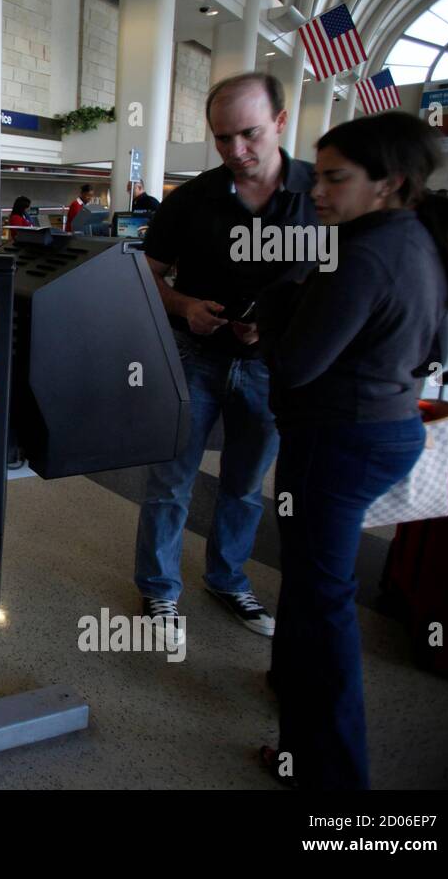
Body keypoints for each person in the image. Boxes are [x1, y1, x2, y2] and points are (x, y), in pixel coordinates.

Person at [257, 112, 448, 790]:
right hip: (388, 428)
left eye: (335, 178)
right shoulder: (419, 241)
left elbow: (295, 365)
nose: (318, 190)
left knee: (323, 602)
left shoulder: (361, 251)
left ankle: (329, 774)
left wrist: (274, 309)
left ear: (389, 183)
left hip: (338, 441)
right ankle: (292, 686)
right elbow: (432, 351)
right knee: (314, 578)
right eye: (318, 175)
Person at [132, 72, 318, 644]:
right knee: (170, 479)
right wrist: (185, 305)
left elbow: (342, 280)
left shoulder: (321, 195)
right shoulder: (192, 200)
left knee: (243, 484)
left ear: (281, 124)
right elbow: (147, 276)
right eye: (221, 138)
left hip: (271, 367)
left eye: (249, 134)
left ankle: (226, 577)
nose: (236, 151)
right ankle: (159, 590)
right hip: (197, 358)